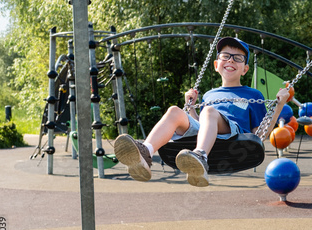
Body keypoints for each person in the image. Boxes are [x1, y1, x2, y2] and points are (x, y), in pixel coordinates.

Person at [114, 37, 289, 187]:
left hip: (235, 136)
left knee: (210, 112)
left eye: (238, 58)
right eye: (225, 56)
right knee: (175, 111)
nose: (230, 61)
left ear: (245, 69)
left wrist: (279, 105)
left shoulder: (253, 94)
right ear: (216, 64)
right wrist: (190, 107)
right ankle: (146, 154)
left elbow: (260, 134)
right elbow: (202, 126)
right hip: (209, 132)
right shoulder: (210, 94)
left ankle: (200, 157)